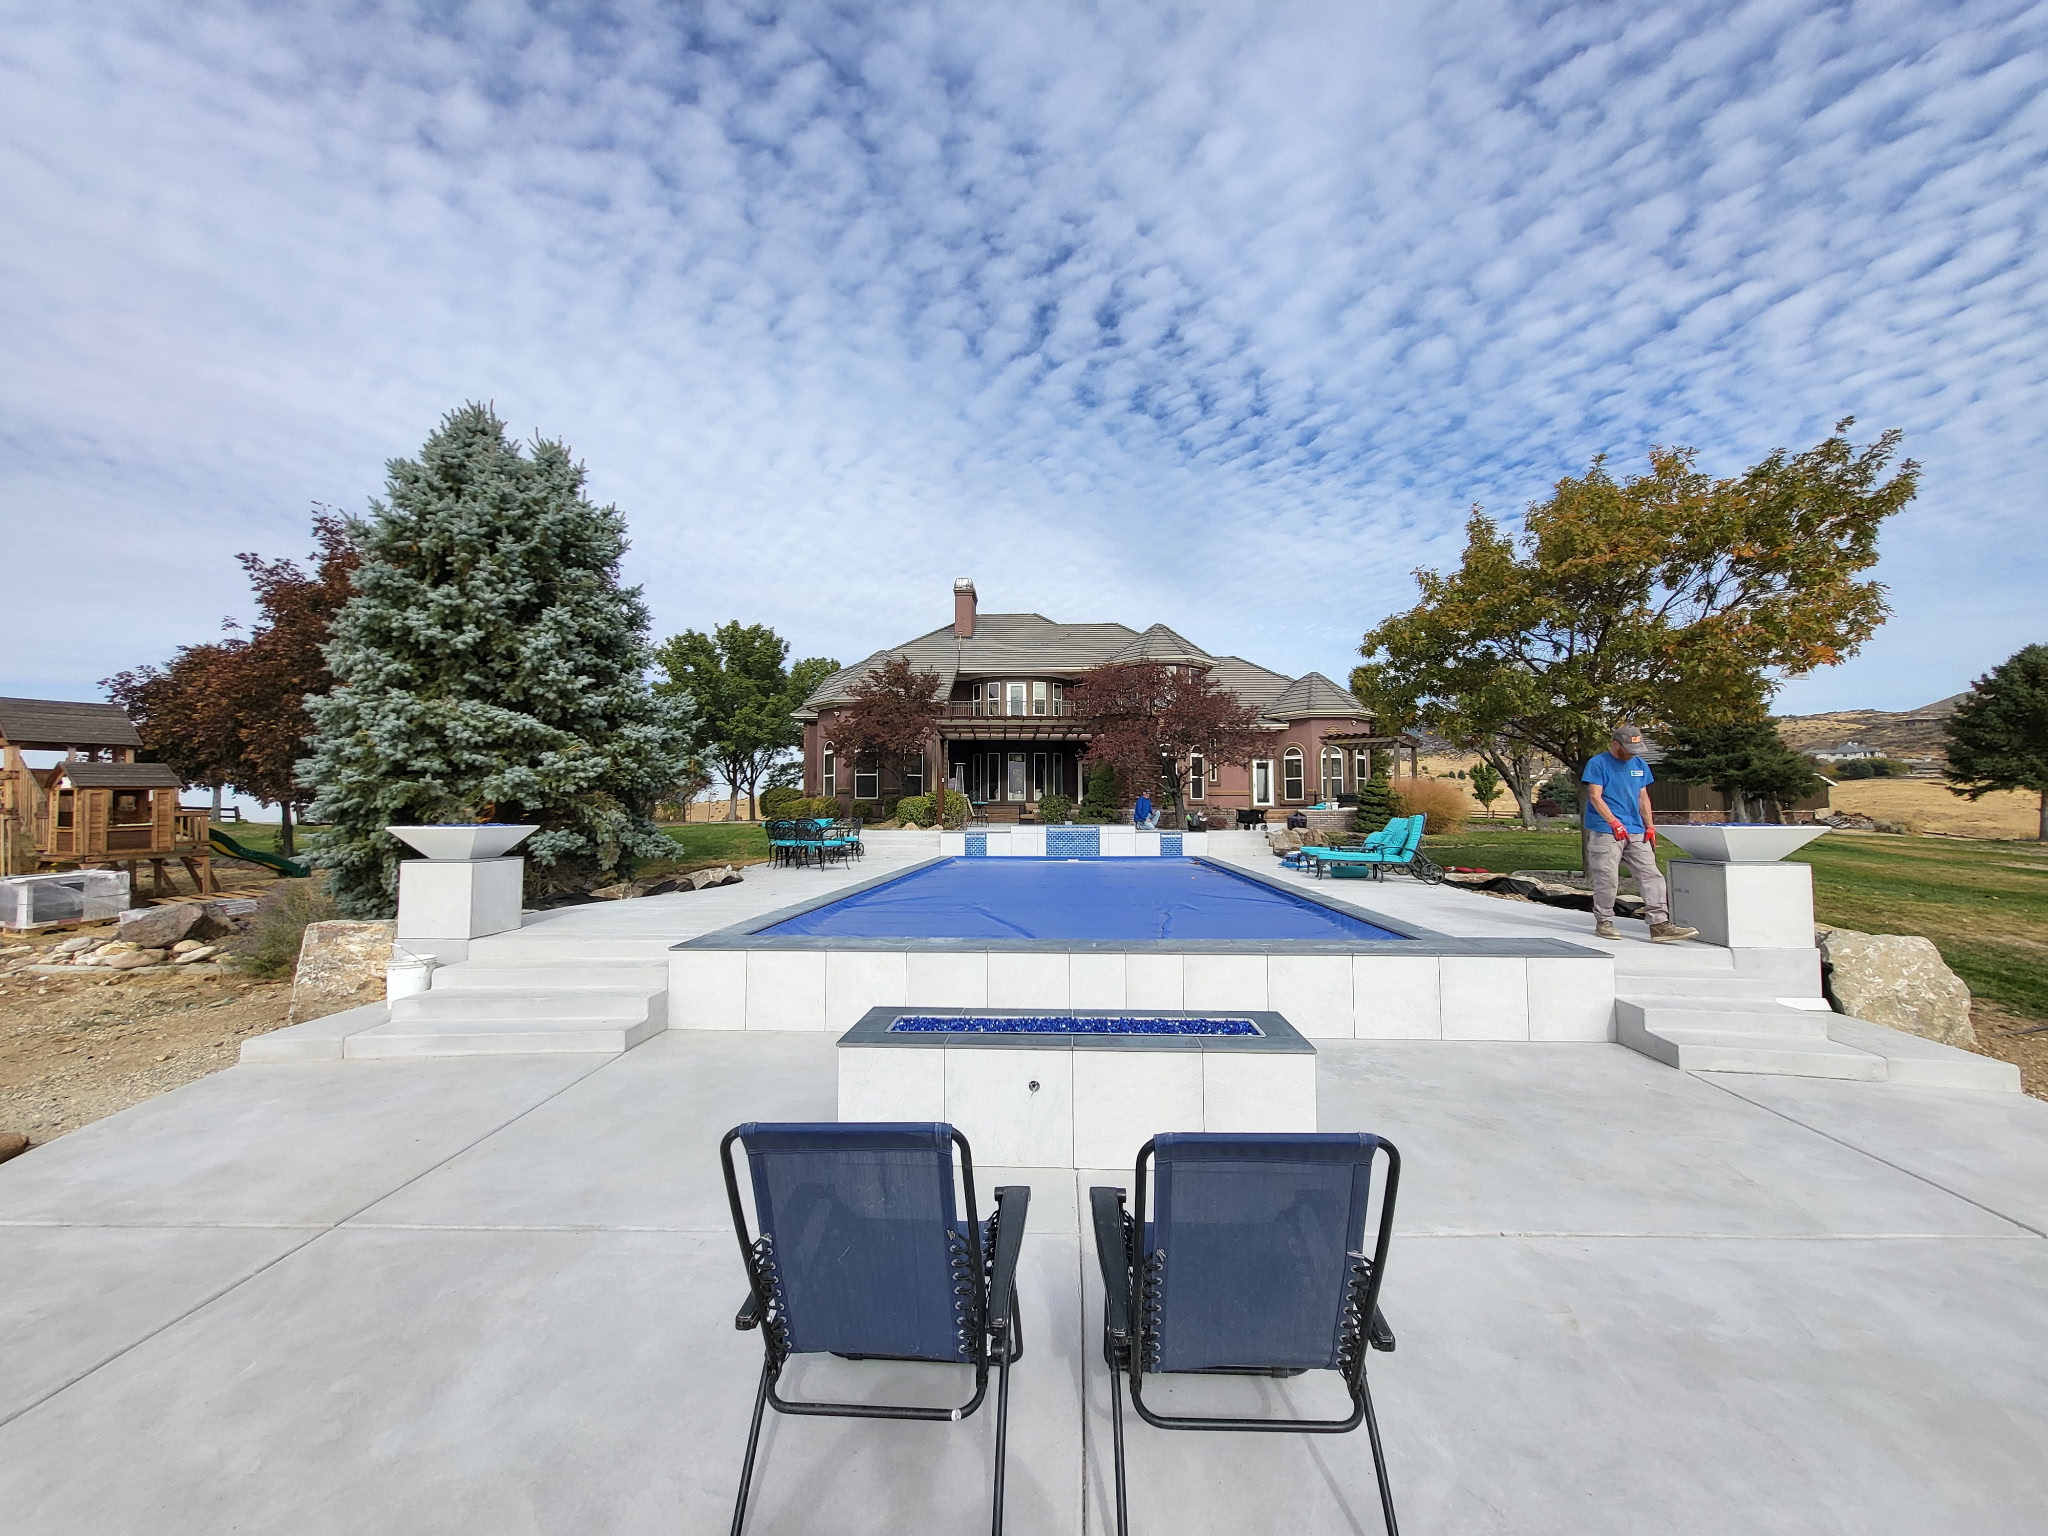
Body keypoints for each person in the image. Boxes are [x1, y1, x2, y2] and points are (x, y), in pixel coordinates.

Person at [1582, 724, 1699, 944]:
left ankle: (1659, 925)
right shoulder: (1598, 763)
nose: (1633, 754)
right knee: (1607, 877)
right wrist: (1614, 822)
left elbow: (1642, 797)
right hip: (1606, 830)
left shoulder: (1640, 764)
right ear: (1616, 744)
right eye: (1628, 749)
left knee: (1651, 875)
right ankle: (1604, 921)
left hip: (1636, 830)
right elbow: (1595, 797)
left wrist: (1650, 826)